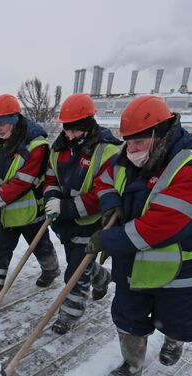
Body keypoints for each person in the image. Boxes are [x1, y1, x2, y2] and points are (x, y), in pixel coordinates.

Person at [86, 95, 192, 376]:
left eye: (138, 143)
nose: (130, 150)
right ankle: (132, 364)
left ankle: (173, 339)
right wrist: (111, 204)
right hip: (134, 264)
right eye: (127, 142)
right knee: (127, 316)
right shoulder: (130, 156)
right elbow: (106, 179)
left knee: (176, 319)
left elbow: (159, 227)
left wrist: (110, 239)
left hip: (181, 267)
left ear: (160, 134)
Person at [43, 93, 121, 334]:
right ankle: (100, 277)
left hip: (92, 224)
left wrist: (64, 208)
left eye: (75, 130)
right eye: (66, 129)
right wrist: (52, 198)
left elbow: (101, 195)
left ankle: (70, 313)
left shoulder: (108, 152)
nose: (69, 135)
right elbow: (50, 177)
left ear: (88, 124)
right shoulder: (59, 149)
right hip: (66, 223)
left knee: (75, 272)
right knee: (79, 264)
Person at [0, 94, 60, 301]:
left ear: (14, 120)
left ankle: (51, 270)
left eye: (2, 123)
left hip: (30, 211)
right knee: (1, 248)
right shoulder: (7, 140)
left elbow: (22, 182)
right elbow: (7, 165)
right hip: (8, 210)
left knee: (40, 245)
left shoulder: (36, 146)